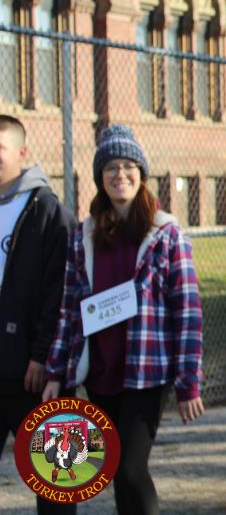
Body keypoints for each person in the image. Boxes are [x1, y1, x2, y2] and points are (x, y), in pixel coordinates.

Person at [43, 125, 205, 515]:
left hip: (146, 371)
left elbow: (187, 311)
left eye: (129, 166)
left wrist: (188, 381)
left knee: (132, 468)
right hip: (101, 369)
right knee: (115, 467)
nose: (120, 174)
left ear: (141, 174)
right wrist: (55, 371)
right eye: (111, 167)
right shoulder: (84, 236)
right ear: (100, 177)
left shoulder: (166, 235)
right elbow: (69, 309)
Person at [0, 116, 76, 515]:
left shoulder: (48, 210)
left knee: (57, 480)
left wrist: (42, 355)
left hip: (35, 373)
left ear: (22, 153)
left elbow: (61, 291)